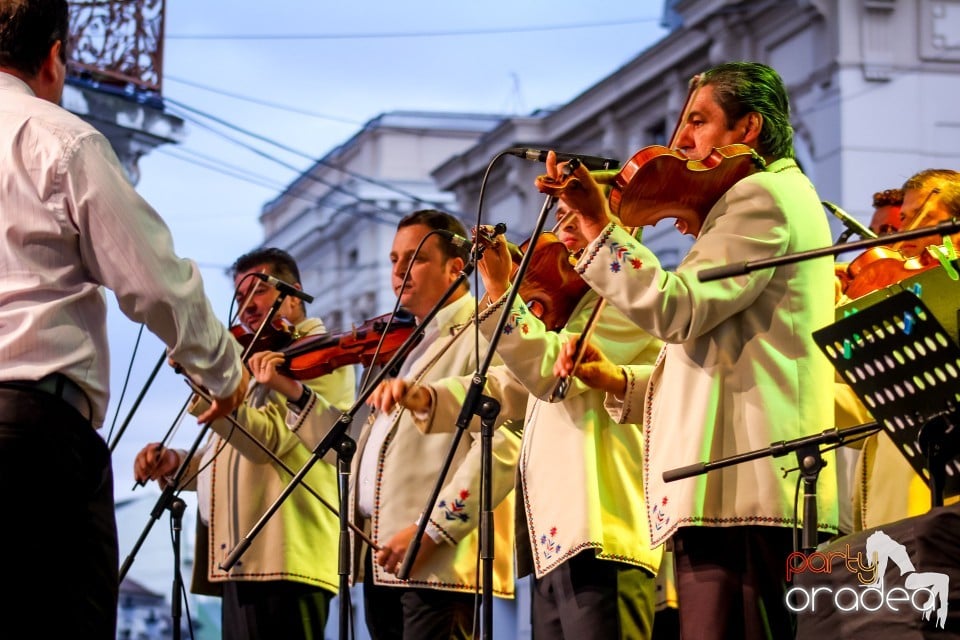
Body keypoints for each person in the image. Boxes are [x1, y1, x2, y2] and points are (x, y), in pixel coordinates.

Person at [551, 61, 839, 639]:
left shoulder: (761, 195)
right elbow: (709, 353)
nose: (681, 141)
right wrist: (625, 384)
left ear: (749, 127)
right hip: (734, 489)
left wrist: (600, 227)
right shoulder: (758, 199)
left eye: (699, 122)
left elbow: (676, 310)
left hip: (745, 490)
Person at [0, 1, 248, 636]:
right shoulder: (57, 138)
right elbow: (157, 285)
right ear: (55, 56)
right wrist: (225, 374)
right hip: (32, 436)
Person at [369, 207, 667, 639]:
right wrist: (427, 396)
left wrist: (499, 288)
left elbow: (551, 376)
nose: (561, 232)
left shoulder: (624, 300)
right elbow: (507, 387)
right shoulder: (570, 311)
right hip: (553, 534)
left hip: (603, 526)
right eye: (560, 218)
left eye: (575, 217)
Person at [252, 210, 521, 639]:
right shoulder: (403, 345)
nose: (397, 271)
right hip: (382, 557)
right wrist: (291, 390)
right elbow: (354, 443)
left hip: (437, 562)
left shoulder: (484, 332)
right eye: (393, 259)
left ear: (457, 267)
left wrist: (432, 531)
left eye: (414, 258)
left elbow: (503, 445)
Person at [134, 248, 354, 639]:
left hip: (287, 556)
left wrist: (206, 383)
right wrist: (176, 463)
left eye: (259, 292)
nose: (247, 307)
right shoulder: (255, 359)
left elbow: (268, 441)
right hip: (241, 558)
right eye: (239, 298)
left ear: (294, 293)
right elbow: (231, 455)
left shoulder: (322, 357)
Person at [850, 169, 960, 532]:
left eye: (917, 218)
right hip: (893, 505)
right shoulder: (910, 296)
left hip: (939, 505)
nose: (903, 235)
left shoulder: (942, 289)